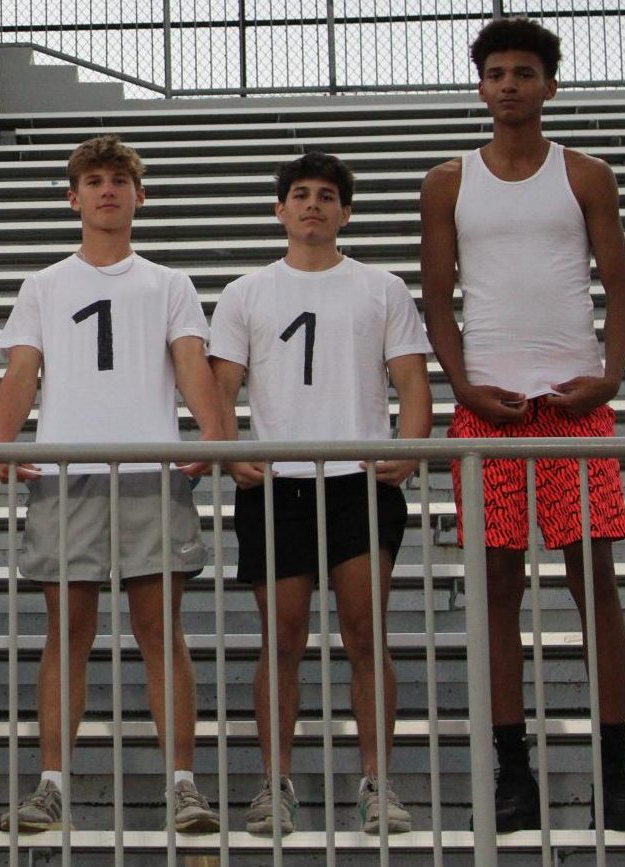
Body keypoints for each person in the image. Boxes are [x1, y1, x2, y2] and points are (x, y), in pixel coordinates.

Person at [420, 16, 625, 833]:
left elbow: (617, 283)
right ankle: (511, 771)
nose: (509, 84)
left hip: (571, 405)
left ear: (550, 84)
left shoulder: (584, 174)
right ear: (479, 85)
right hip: (490, 412)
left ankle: (613, 770)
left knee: (598, 590)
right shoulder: (447, 182)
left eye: (523, 71)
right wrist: (464, 386)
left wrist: (609, 375)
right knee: (496, 594)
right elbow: (437, 299)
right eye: (495, 72)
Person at [0, 135, 223, 835]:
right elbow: (22, 371)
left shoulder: (166, 282)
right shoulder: (44, 283)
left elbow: (188, 364)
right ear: (73, 197)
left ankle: (182, 783)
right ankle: (51, 784)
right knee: (67, 633)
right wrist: (0, 444)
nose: (107, 190)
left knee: (161, 632)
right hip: (69, 475)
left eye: (119, 179)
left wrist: (213, 434)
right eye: (93, 180)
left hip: (149, 472)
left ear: (138, 195)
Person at [212, 152, 431, 836]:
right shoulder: (246, 291)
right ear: (279, 209)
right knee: (280, 638)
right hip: (277, 483)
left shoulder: (379, 287)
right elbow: (220, 386)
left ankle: (376, 783)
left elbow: (412, 381)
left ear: (345, 211)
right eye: (299, 194)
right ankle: (274, 784)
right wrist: (227, 453)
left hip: (356, 482)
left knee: (366, 632)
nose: (312, 204)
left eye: (326, 195)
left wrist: (410, 447)